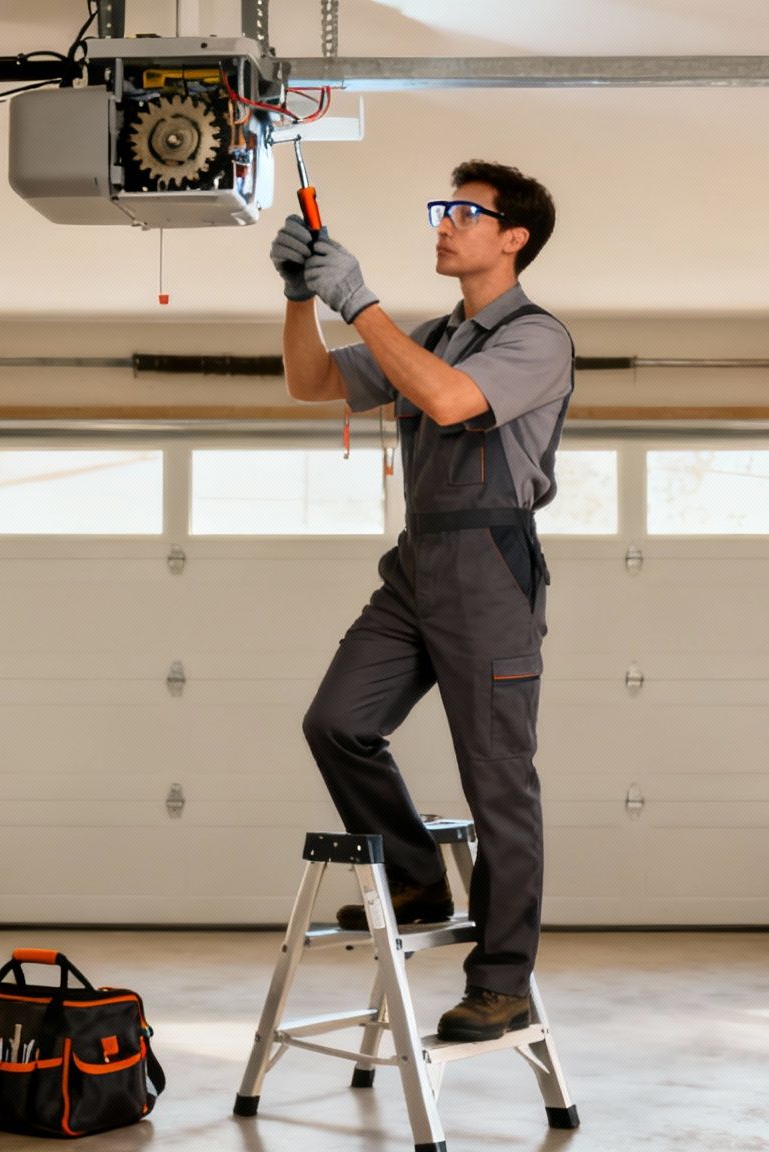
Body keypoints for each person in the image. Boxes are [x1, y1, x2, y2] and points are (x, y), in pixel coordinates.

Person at [269, 160, 569, 1042]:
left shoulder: (538, 339)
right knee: (336, 722)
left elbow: (446, 401)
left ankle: (501, 981)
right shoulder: (431, 337)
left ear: (514, 238)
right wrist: (300, 297)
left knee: (497, 779)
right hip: (417, 562)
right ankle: (414, 876)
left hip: (490, 563)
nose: (444, 223)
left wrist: (357, 299)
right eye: (443, 209)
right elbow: (310, 382)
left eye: (465, 213)